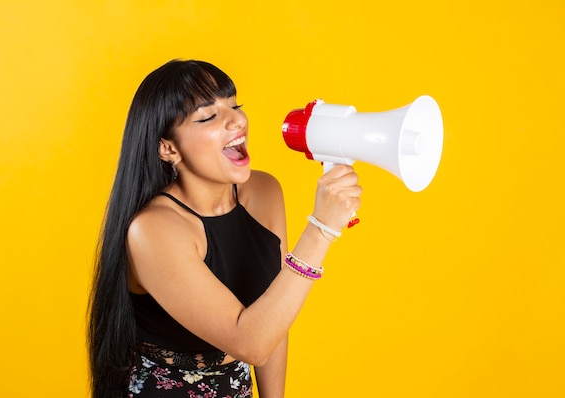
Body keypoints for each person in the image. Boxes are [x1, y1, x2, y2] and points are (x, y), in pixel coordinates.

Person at [88, 59, 362, 398]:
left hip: (235, 388)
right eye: (208, 116)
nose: (237, 121)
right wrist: (320, 230)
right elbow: (252, 343)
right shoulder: (153, 230)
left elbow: (273, 316)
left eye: (235, 106)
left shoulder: (264, 192)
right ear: (168, 148)